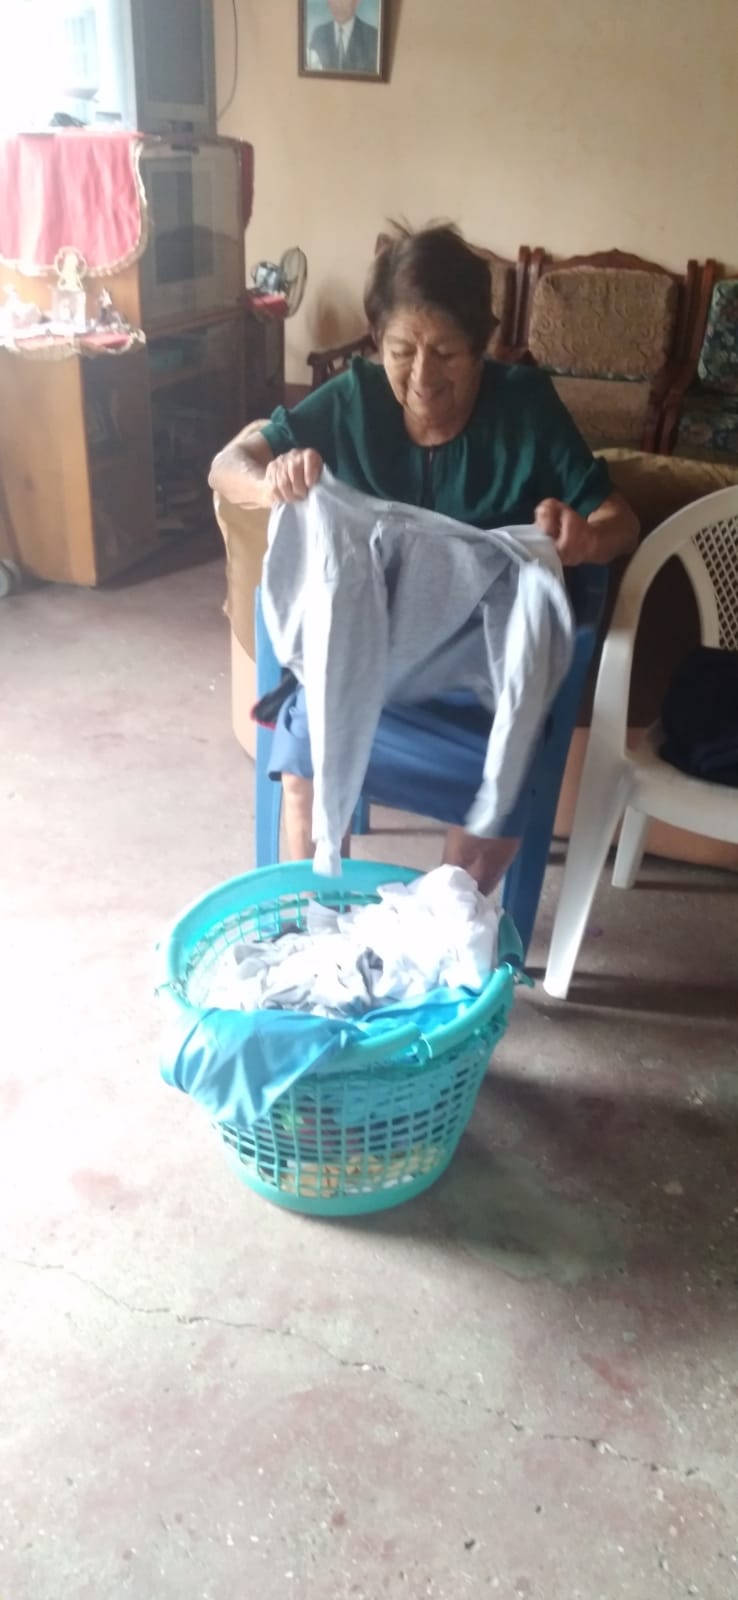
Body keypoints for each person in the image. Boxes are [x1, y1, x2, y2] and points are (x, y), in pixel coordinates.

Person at [209, 223, 639, 892]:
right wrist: (271, 484)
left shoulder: (524, 408)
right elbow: (226, 466)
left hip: (477, 679)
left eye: (446, 353)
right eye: (401, 350)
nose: (421, 377)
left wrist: (585, 538)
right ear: (375, 341)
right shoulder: (353, 399)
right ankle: (312, 917)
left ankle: (438, 927)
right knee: (302, 773)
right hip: (360, 658)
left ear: (483, 345)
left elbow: (622, 520)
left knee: (490, 814)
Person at [307, 0, 379, 74]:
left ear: (356, 2)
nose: (339, 5)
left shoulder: (372, 36)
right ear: (328, 3)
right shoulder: (319, 34)